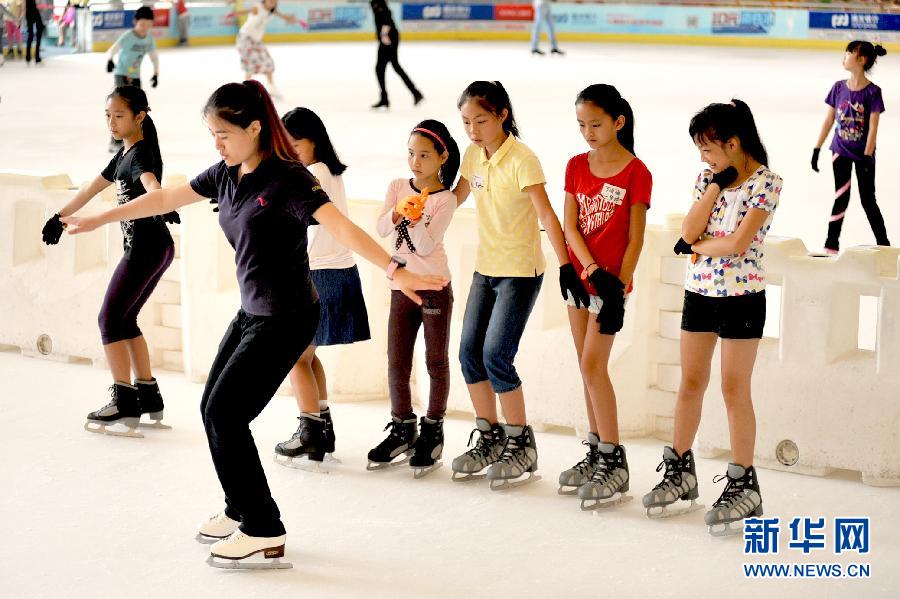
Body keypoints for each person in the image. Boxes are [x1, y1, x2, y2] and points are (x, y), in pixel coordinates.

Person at [61, 80, 447, 569]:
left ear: (255, 128)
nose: (217, 144)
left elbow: (341, 226)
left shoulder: (288, 178)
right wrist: (99, 218)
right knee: (211, 406)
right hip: (252, 311)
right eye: (212, 134)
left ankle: (264, 528)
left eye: (223, 133)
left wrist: (396, 269)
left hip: (287, 316)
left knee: (226, 414)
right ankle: (239, 507)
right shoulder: (226, 174)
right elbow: (164, 199)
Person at [648, 100, 783, 536]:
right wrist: (713, 188)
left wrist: (695, 247)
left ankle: (744, 484)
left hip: (742, 297)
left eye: (708, 149)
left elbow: (737, 244)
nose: (704, 158)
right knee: (690, 382)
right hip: (700, 293)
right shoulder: (708, 179)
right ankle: (680, 471)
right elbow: (688, 231)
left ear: (733, 143)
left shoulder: (766, 183)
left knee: (733, 388)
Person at [449, 81, 583, 490]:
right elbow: (455, 198)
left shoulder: (523, 159)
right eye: (466, 122)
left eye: (480, 121)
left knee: (496, 356)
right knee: (469, 353)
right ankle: (489, 437)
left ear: (502, 115)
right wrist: (420, 202)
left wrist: (566, 265)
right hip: (485, 269)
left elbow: (547, 214)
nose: (473, 130)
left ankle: (520, 443)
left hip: (520, 273)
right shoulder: (473, 155)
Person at [41, 86, 179, 438]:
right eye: (107, 115)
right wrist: (59, 217)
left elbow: (151, 183)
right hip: (156, 247)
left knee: (108, 319)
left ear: (139, 116)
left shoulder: (141, 154)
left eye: (119, 115)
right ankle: (148, 396)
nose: (111, 123)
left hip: (146, 249)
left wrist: (162, 200)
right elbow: (91, 188)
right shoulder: (124, 154)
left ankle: (125, 401)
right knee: (125, 319)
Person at [555, 84, 651, 511]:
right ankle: (597, 450)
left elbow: (635, 239)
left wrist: (618, 288)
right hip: (581, 282)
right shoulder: (576, 165)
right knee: (585, 367)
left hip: (610, 288)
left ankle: (613, 460)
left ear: (618, 122)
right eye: (581, 125)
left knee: (594, 366)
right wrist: (586, 269)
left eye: (595, 124)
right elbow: (570, 226)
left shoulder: (636, 172)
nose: (588, 133)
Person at [273, 107, 371, 471]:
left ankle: (310, 433)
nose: (289, 153)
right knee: (307, 356)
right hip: (335, 271)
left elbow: (304, 229)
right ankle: (321, 428)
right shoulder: (329, 172)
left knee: (293, 356)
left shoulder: (312, 174)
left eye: (295, 145)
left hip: (317, 275)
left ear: (314, 140)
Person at [367, 119, 459, 478]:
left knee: (435, 361)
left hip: (434, 287)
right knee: (397, 361)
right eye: (410, 153)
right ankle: (403, 427)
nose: (415, 162)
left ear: (442, 157)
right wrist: (398, 210)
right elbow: (381, 228)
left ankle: (433, 429)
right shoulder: (396, 186)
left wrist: (417, 216)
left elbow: (424, 246)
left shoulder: (446, 199)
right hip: (400, 287)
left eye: (423, 155)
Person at [811, 41, 889, 253]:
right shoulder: (838, 87)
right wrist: (817, 148)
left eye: (848, 53)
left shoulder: (873, 92)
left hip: (864, 155)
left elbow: (873, 128)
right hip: (840, 151)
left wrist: (867, 156)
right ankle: (831, 244)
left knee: (868, 200)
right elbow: (829, 121)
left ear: (861, 60)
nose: (844, 57)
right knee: (841, 196)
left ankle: (884, 244)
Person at [106, 6, 159, 152]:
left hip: (135, 76)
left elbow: (154, 57)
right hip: (122, 74)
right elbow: (113, 49)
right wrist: (110, 60)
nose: (144, 29)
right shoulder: (128, 36)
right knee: (120, 107)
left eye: (148, 25)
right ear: (136, 22)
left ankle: (134, 138)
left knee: (137, 107)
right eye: (142, 25)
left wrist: (156, 74)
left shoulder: (148, 39)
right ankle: (115, 141)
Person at [231, 0, 305, 99]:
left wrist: (296, 20)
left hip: (256, 41)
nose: (273, 3)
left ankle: (272, 88)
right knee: (250, 65)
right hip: (245, 39)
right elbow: (247, 11)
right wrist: (236, 13)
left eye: (274, 2)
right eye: (270, 1)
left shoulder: (272, 11)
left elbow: (285, 17)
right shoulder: (258, 7)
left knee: (268, 63)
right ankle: (244, 90)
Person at [369, 0, 423, 109]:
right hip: (388, 38)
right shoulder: (375, 3)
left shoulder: (380, 5)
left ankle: (387, 98)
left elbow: (387, 20)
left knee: (382, 68)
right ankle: (415, 93)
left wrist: (384, 35)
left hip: (389, 38)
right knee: (390, 67)